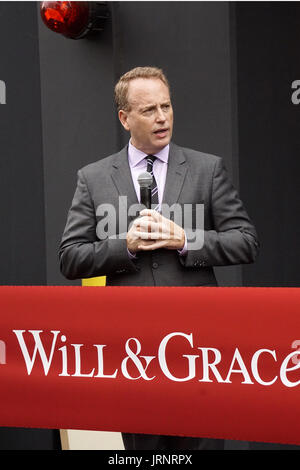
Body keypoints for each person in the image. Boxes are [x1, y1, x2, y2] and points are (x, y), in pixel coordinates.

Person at [59, 66, 259, 450]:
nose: (162, 117)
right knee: (141, 449)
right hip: (129, 347)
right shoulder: (94, 177)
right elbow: (70, 258)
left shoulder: (207, 169)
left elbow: (246, 241)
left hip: (199, 345)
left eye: (166, 106)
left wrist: (187, 239)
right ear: (125, 118)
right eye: (149, 109)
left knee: (198, 444)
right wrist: (125, 246)